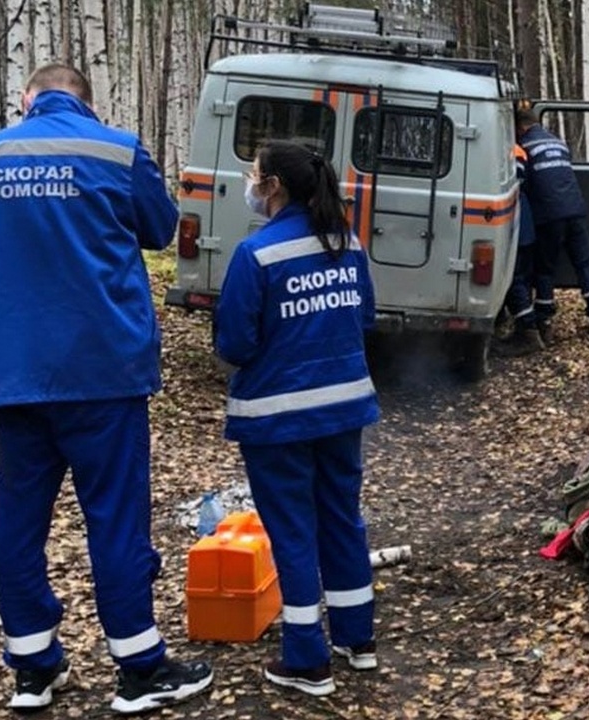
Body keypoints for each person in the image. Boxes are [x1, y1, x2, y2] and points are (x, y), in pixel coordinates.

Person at [0, 64, 213, 713]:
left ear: (27, 100)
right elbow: (159, 230)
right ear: (86, 101)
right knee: (115, 519)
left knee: (17, 521)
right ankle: (138, 668)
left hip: (11, 371)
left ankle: (32, 669)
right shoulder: (116, 151)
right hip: (103, 370)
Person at [215, 140, 380, 697]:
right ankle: (357, 639)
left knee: (291, 529)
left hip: (277, 418)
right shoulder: (347, 244)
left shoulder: (255, 254)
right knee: (341, 517)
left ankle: (307, 658)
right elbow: (365, 317)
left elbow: (235, 343)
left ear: (274, 187)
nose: (249, 182)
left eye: (254, 174)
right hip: (342, 408)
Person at [515, 107, 589, 341]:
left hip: (549, 215)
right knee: (584, 264)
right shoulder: (558, 143)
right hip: (575, 210)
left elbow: (522, 183)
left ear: (521, 127)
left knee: (544, 269)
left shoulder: (524, 147)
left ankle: (544, 321)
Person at [495, 143, 545, 356]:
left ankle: (528, 330)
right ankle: (522, 327)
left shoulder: (512, 151)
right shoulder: (516, 150)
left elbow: (518, 183)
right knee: (520, 280)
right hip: (524, 227)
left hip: (517, 229)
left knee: (515, 280)